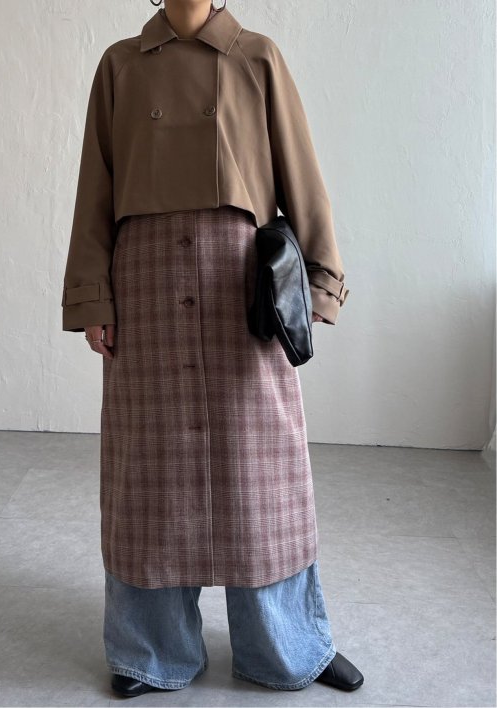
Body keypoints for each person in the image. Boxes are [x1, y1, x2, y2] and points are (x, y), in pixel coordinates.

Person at [60, 0, 362, 697]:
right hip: (145, 282)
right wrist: (92, 297)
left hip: (242, 284)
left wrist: (321, 281)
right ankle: (150, 651)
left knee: (263, 470)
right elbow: (94, 189)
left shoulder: (257, 56)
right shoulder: (120, 65)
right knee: (150, 471)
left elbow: (302, 175)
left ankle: (288, 648)